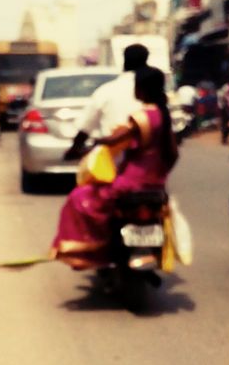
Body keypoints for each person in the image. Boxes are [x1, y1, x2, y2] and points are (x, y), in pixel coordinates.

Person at [52, 65, 178, 269]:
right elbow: (173, 154)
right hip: (156, 184)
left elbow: (113, 140)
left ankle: (93, 251)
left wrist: (94, 144)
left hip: (132, 182)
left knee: (79, 197)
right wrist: (159, 174)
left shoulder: (140, 117)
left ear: (141, 89)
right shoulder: (164, 116)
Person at [64, 44, 148, 163]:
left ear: (124, 62)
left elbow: (86, 126)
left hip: (112, 160)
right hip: (147, 161)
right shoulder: (152, 93)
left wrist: (74, 149)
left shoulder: (106, 91)